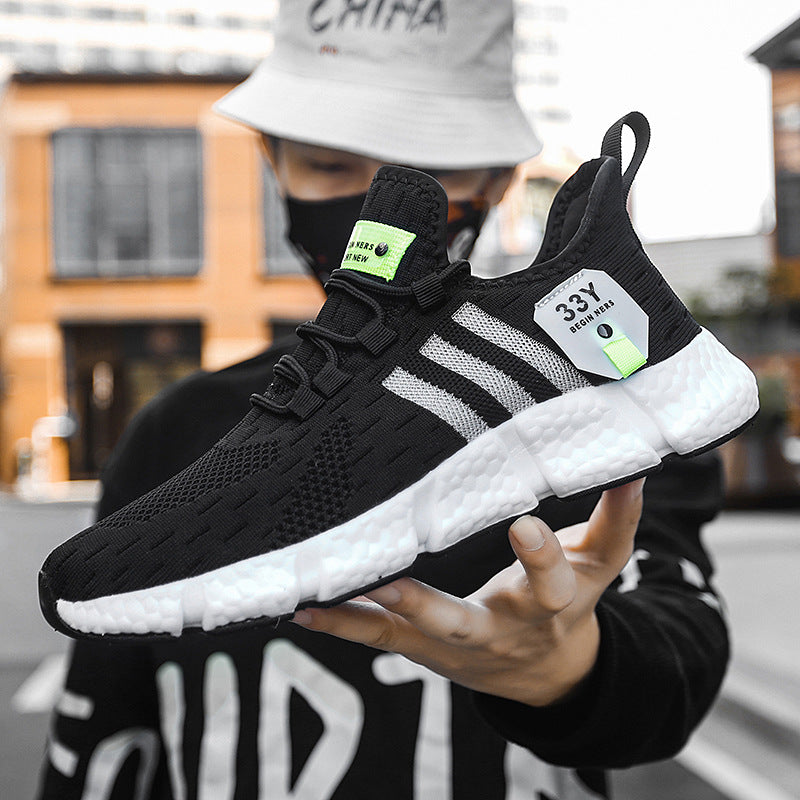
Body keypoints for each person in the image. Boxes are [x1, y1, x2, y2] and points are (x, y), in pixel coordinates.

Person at [38, 2, 729, 798]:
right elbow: (101, 737)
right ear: (274, 166)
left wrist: (569, 668)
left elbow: (679, 656)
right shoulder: (173, 430)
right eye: (330, 166)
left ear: (498, 180)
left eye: (424, 167)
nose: (373, 207)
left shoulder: (606, 403)